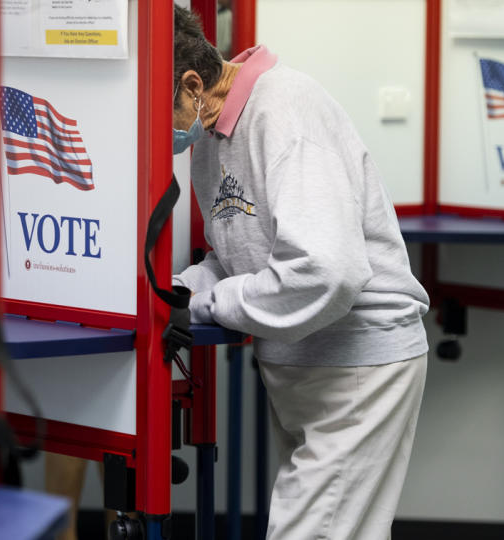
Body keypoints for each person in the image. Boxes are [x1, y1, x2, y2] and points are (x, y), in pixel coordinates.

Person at [171, 6, 429, 540]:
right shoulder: (211, 137)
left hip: (358, 367)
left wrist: (205, 304)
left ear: (193, 84)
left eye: (155, 113)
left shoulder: (285, 111)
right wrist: (179, 291)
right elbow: (235, 251)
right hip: (300, 364)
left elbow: (326, 271)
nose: (155, 136)